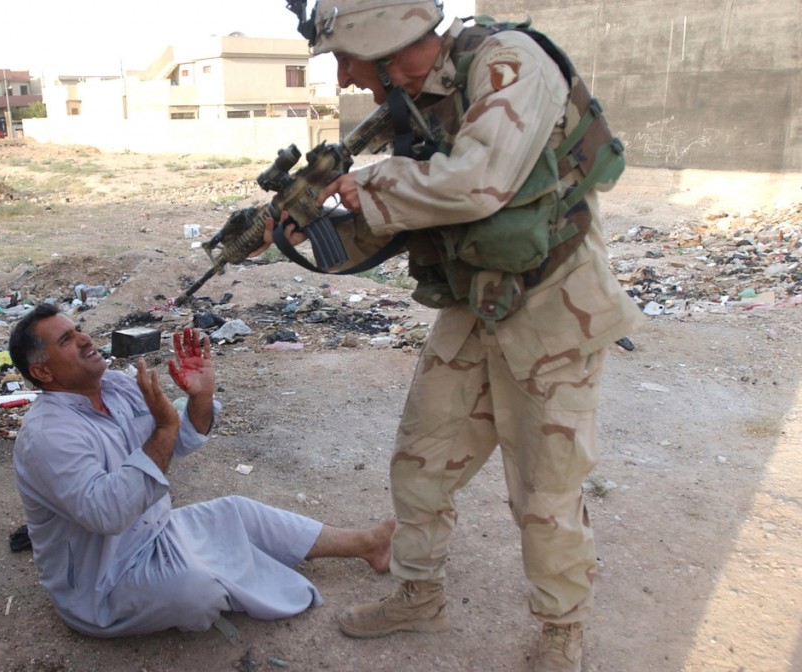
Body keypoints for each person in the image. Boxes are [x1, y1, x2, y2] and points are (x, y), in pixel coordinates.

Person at [253, 2, 645, 670]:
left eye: (347, 58)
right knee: (420, 459)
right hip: (474, 302)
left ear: (386, 44)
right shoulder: (413, 105)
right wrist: (310, 235)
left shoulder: (509, 63)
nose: (345, 77)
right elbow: (404, 219)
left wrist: (367, 187)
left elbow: (477, 182)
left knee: (544, 490)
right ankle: (418, 594)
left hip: (554, 307)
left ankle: (560, 633)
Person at [7, 302, 394, 637]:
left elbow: (176, 442)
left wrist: (200, 399)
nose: (85, 339)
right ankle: (224, 564)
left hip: (154, 532)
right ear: (42, 373)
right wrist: (165, 426)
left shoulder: (115, 387)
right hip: (102, 582)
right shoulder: (47, 435)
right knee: (196, 592)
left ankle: (368, 545)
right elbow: (108, 513)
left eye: (78, 330)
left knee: (238, 512)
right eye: (66, 341)